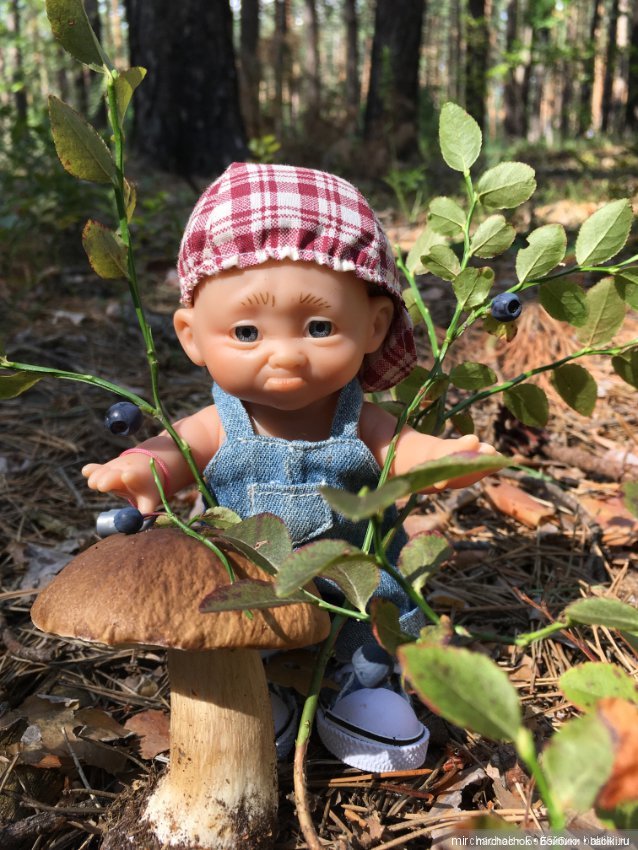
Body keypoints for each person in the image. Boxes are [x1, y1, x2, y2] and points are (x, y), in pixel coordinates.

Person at [83, 163, 499, 771]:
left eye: (319, 327)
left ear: (374, 326)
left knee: (371, 628)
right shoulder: (220, 422)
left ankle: (360, 690)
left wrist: (443, 460)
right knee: (241, 626)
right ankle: (261, 691)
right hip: (254, 584)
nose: (285, 354)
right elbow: (177, 449)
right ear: (192, 335)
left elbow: (404, 449)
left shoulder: (361, 421)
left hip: (354, 582)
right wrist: (143, 467)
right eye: (247, 331)